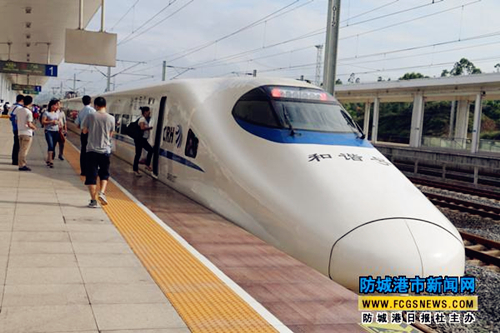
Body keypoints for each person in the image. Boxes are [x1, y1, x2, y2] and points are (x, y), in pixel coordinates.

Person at [81, 97, 115, 208]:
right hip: (105, 150)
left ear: (95, 105)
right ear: (105, 105)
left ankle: (93, 201)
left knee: (91, 175)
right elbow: (111, 134)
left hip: (91, 150)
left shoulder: (90, 116)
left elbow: (84, 131)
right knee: (104, 173)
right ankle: (102, 192)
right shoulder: (111, 118)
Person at [74, 95, 96, 176]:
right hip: (91, 134)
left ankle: (83, 170)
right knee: (91, 152)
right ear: (91, 101)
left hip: (83, 134)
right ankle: (90, 170)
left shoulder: (81, 111)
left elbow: (77, 124)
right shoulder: (93, 110)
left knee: (83, 151)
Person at [16, 96, 36, 171]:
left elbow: (16, 121)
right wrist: (34, 128)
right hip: (27, 133)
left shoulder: (19, 110)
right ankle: (22, 165)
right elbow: (29, 124)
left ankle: (20, 164)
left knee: (21, 149)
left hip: (20, 132)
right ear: (31, 102)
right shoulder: (29, 112)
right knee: (24, 150)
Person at [133, 106, 154, 177]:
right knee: (149, 150)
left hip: (141, 139)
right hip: (140, 139)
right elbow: (142, 127)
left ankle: (139, 168)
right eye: (149, 111)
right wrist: (149, 128)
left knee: (139, 154)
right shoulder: (142, 119)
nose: (149, 113)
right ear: (145, 112)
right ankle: (140, 168)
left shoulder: (143, 119)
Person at [42, 99, 61, 168]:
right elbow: (43, 121)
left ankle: (48, 158)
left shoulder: (57, 113)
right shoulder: (46, 113)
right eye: (54, 105)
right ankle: (51, 161)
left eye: (57, 105)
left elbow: (58, 120)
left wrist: (58, 123)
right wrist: (51, 122)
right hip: (48, 131)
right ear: (51, 105)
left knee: (53, 146)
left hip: (56, 131)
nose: (56, 106)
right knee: (50, 145)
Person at [9, 95, 24, 165]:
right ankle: (15, 160)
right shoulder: (19, 108)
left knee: (16, 144)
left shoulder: (12, 106)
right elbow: (16, 118)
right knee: (18, 144)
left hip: (14, 128)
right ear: (21, 100)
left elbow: (10, 116)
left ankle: (14, 159)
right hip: (18, 128)